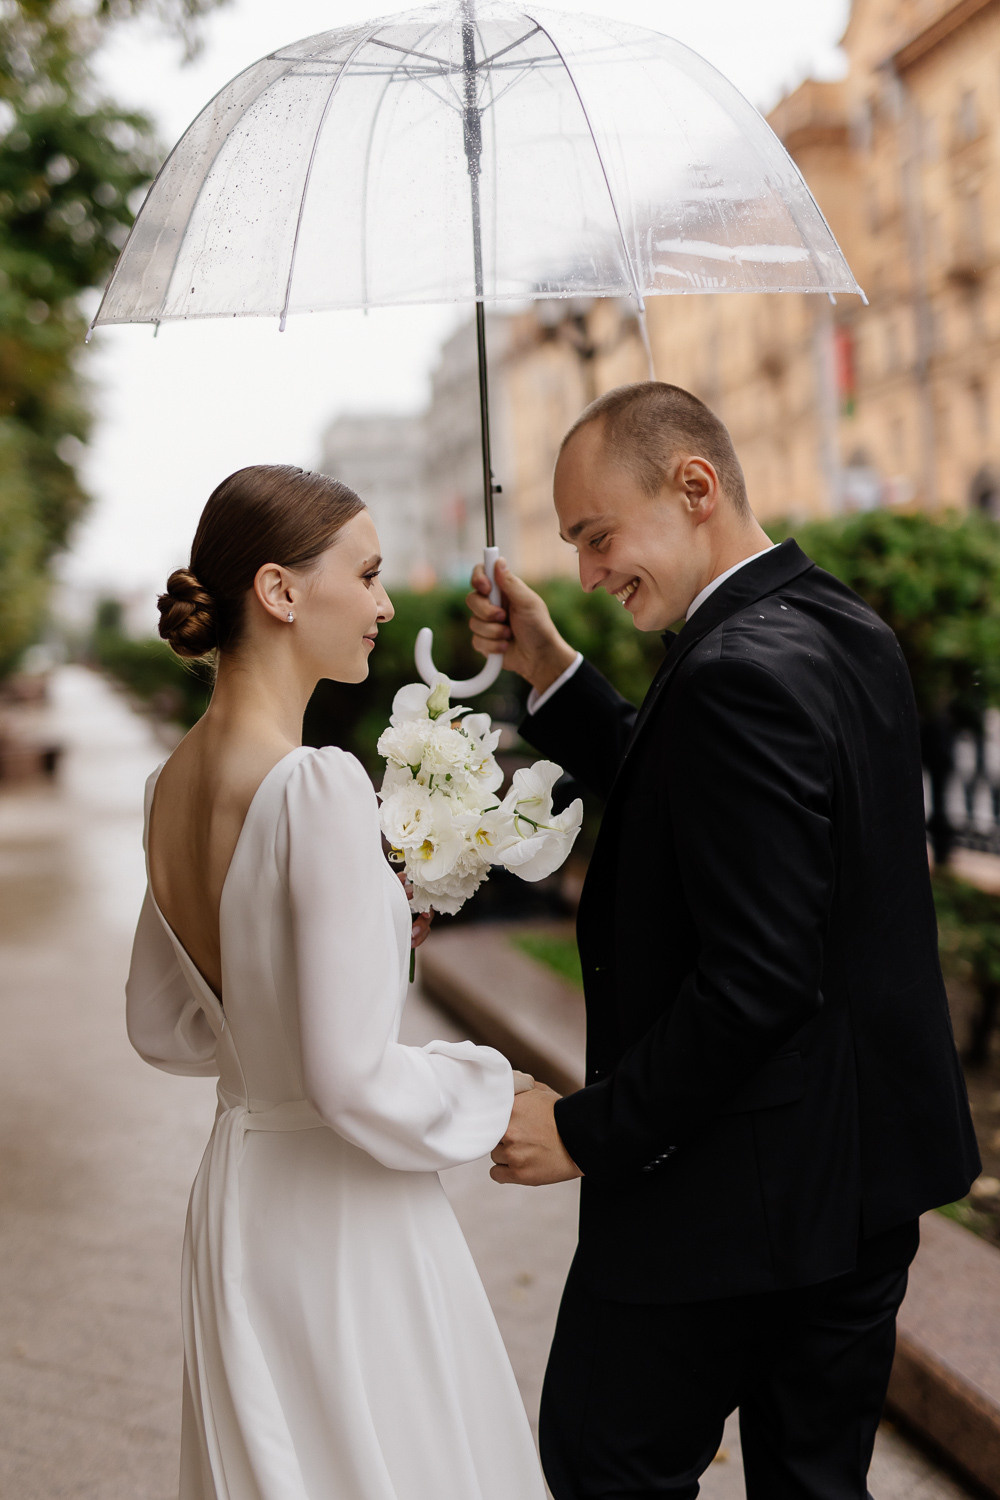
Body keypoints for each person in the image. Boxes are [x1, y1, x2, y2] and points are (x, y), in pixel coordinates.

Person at [466, 383, 980, 1500]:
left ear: (694, 484)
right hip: (859, 1183)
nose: (590, 572)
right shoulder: (834, 623)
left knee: (604, 1459)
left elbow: (755, 981)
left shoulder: (738, 669)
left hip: (732, 1199)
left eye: (596, 534)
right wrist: (550, 668)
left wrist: (586, 1131)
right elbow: (699, 812)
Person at [126, 464, 547, 1500]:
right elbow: (348, 1080)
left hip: (241, 1189)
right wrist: (492, 1088)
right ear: (279, 590)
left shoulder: (167, 783)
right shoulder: (316, 783)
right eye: (366, 574)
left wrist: (343, 940)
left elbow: (165, 1028)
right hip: (338, 1202)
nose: (385, 604)